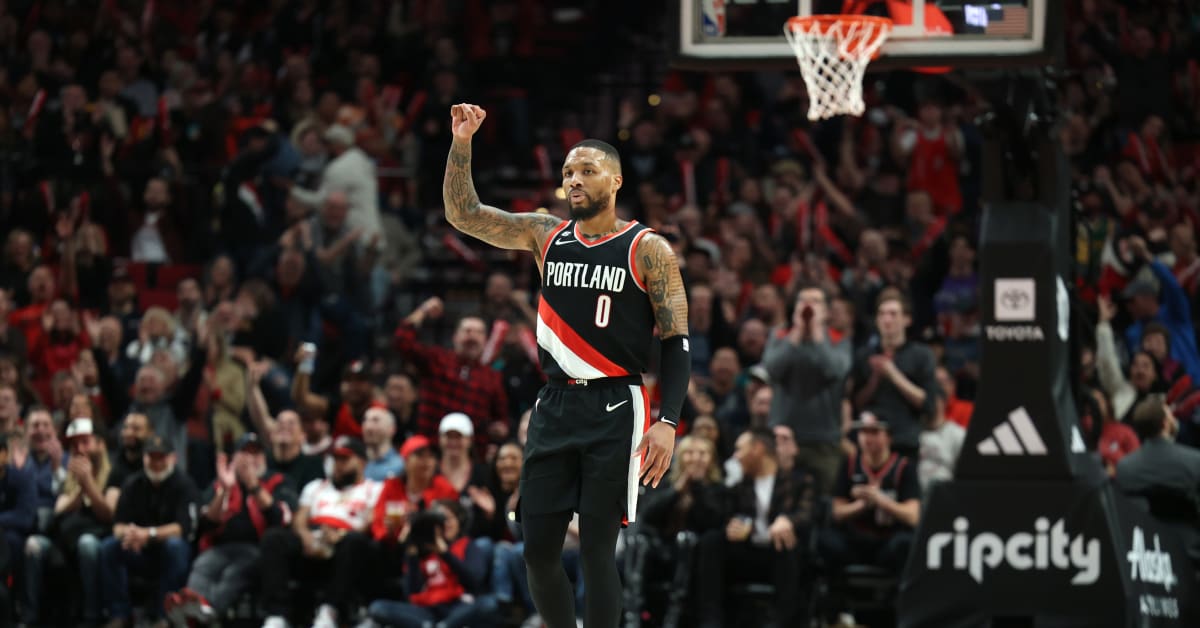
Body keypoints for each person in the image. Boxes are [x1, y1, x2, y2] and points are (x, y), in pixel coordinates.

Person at [443, 103, 690, 628]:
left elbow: (676, 342)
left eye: (586, 171)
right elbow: (463, 215)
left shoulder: (649, 249)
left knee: (599, 550)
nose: (573, 180)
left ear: (616, 180)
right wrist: (462, 143)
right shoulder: (545, 235)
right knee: (537, 548)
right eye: (567, 173)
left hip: (617, 404)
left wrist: (667, 421)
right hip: (554, 402)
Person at [169, 433, 297, 624]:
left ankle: (206, 610)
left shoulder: (278, 481)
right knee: (204, 565)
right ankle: (193, 606)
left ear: (265, 457)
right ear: (234, 458)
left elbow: (281, 518)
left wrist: (253, 485)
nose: (250, 459)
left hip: (257, 549)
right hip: (220, 547)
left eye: (256, 454)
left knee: (235, 571)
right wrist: (225, 491)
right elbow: (205, 523)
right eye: (245, 454)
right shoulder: (221, 482)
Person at [696, 428, 817, 628]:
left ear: (757, 449)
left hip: (779, 557)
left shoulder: (798, 481)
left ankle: (778, 622)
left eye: (740, 449)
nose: (736, 456)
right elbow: (719, 515)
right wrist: (730, 526)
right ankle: (711, 620)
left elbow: (810, 513)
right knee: (712, 541)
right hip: (746, 552)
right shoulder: (738, 484)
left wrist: (789, 520)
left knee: (788, 546)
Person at [260, 436, 382, 628]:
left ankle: (329, 610)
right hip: (314, 540)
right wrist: (306, 536)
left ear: (361, 462)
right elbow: (300, 518)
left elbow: (372, 520)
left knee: (354, 541)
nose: (338, 465)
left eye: (345, 459)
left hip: (346, 542)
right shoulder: (316, 486)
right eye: (336, 459)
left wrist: (340, 534)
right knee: (274, 538)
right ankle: (277, 615)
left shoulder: (373, 489)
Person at [763, 284, 853, 495]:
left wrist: (815, 333)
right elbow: (772, 370)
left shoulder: (838, 339)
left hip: (823, 440)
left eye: (815, 301)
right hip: (782, 435)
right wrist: (796, 334)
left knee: (822, 502)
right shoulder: (780, 334)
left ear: (827, 311)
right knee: (779, 498)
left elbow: (834, 370)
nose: (808, 305)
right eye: (803, 300)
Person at [100, 435, 199, 627]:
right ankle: (119, 614)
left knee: (175, 546)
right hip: (141, 551)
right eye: (151, 457)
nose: (156, 462)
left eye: (161, 457)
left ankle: (165, 615)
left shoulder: (184, 485)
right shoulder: (133, 483)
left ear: (173, 458)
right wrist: (131, 534)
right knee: (109, 547)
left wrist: (148, 534)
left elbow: (182, 529)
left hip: (171, 553)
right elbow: (118, 526)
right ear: (144, 458)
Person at [1114, 396, 1200, 565]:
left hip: (1144, 557)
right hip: (1191, 557)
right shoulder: (1195, 461)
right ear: (1165, 423)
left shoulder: (1124, 468)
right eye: (1170, 414)